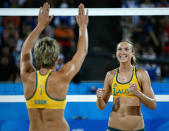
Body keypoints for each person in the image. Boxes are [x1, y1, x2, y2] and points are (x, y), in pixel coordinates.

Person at [20, 2, 88, 131]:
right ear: (57, 59)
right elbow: (82, 51)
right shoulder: (63, 76)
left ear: (36, 57)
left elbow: (25, 51)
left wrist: (40, 25)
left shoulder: (27, 76)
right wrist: (83, 26)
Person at [96, 41, 156, 131]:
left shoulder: (141, 74)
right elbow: (101, 106)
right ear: (116, 53)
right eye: (119, 49)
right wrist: (99, 98)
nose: (122, 52)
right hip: (113, 128)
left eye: (126, 49)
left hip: (136, 129)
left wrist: (138, 94)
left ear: (132, 53)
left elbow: (153, 105)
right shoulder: (110, 75)